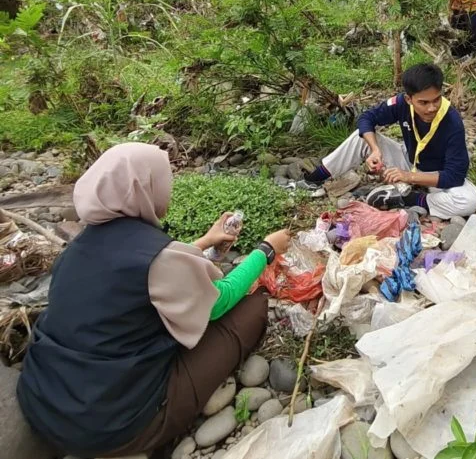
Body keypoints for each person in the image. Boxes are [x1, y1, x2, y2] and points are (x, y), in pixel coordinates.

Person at [17, 143, 292, 458]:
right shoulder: (159, 258)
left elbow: (138, 272)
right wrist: (265, 251)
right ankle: (155, 435)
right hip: (110, 424)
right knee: (252, 306)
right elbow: (219, 300)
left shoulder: (76, 249)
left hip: (43, 399)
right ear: (145, 189)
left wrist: (204, 241)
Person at [303, 63, 476, 219]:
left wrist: (408, 177)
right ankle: (313, 180)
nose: (431, 108)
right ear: (409, 99)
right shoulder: (401, 104)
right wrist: (375, 150)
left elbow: (455, 176)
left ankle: (410, 199)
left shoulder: (452, 121)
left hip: (435, 176)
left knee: (470, 200)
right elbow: (367, 118)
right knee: (361, 137)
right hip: (408, 160)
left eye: (436, 100)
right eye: (424, 103)